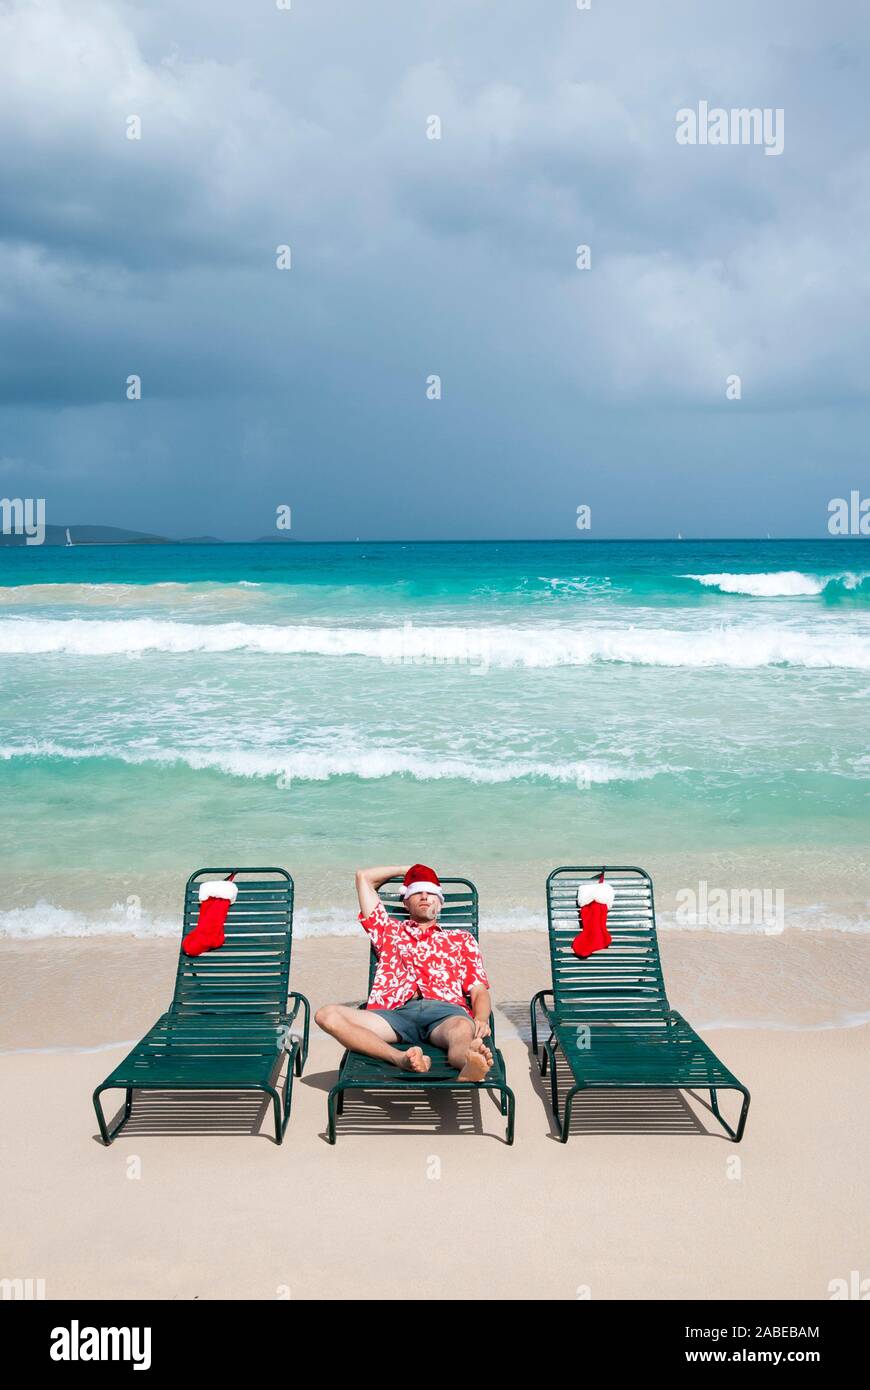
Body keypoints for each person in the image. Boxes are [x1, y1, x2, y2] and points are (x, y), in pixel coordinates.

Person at [315, 863, 494, 1080]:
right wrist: (408, 870)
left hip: (445, 1013)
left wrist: (482, 1018)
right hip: (394, 1014)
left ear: (440, 903)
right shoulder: (387, 931)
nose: (425, 897)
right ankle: (401, 1058)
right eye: (417, 892)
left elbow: (479, 991)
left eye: (431, 893)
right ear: (406, 902)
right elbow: (364, 877)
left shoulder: (462, 939)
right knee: (326, 1015)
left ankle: (469, 1063)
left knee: (461, 1031)